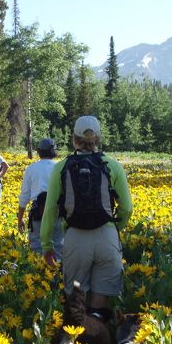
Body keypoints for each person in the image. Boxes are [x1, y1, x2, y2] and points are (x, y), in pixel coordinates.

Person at [40, 116, 133, 323]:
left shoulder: (61, 167)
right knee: (100, 304)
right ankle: (100, 343)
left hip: (75, 239)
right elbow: (127, 208)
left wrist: (47, 245)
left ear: (74, 139)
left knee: (77, 302)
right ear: (98, 138)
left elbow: (50, 210)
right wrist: (115, 227)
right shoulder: (113, 166)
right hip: (106, 238)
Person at [17, 138, 63, 257]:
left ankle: (38, 272)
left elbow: (24, 196)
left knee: (37, 247)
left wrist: (20, 218)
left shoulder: (31, 169)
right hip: (58, 211)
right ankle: (56, 273)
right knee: (58, 246)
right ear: (54, 151)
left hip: (38, 212)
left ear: (39, 152)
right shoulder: (60, 167)